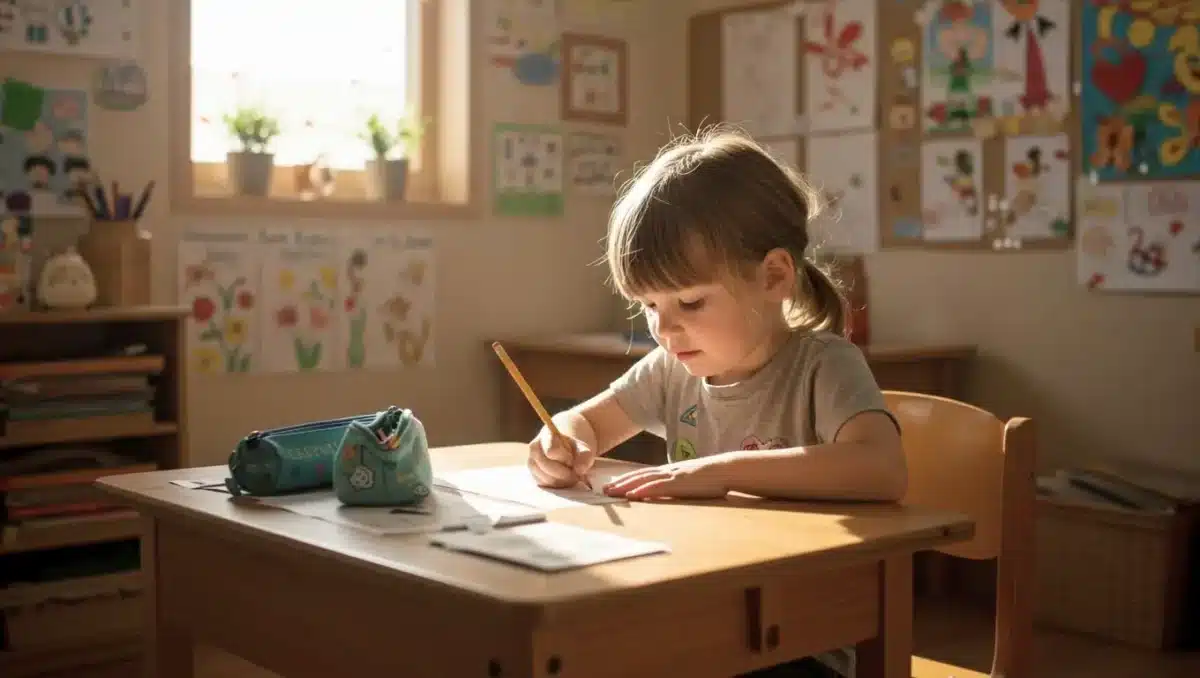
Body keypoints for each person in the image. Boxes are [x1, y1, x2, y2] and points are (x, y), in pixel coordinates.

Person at [525, 126, 907, 675]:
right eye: (649, 306)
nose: (665, 329)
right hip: (702, 623)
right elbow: (586, 422)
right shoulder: (671, 369)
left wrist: (719, 472)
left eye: (690, 302)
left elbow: (883, 469)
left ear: (774, 276)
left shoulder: (823, 365)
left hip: (803, 643)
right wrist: (561, 441)